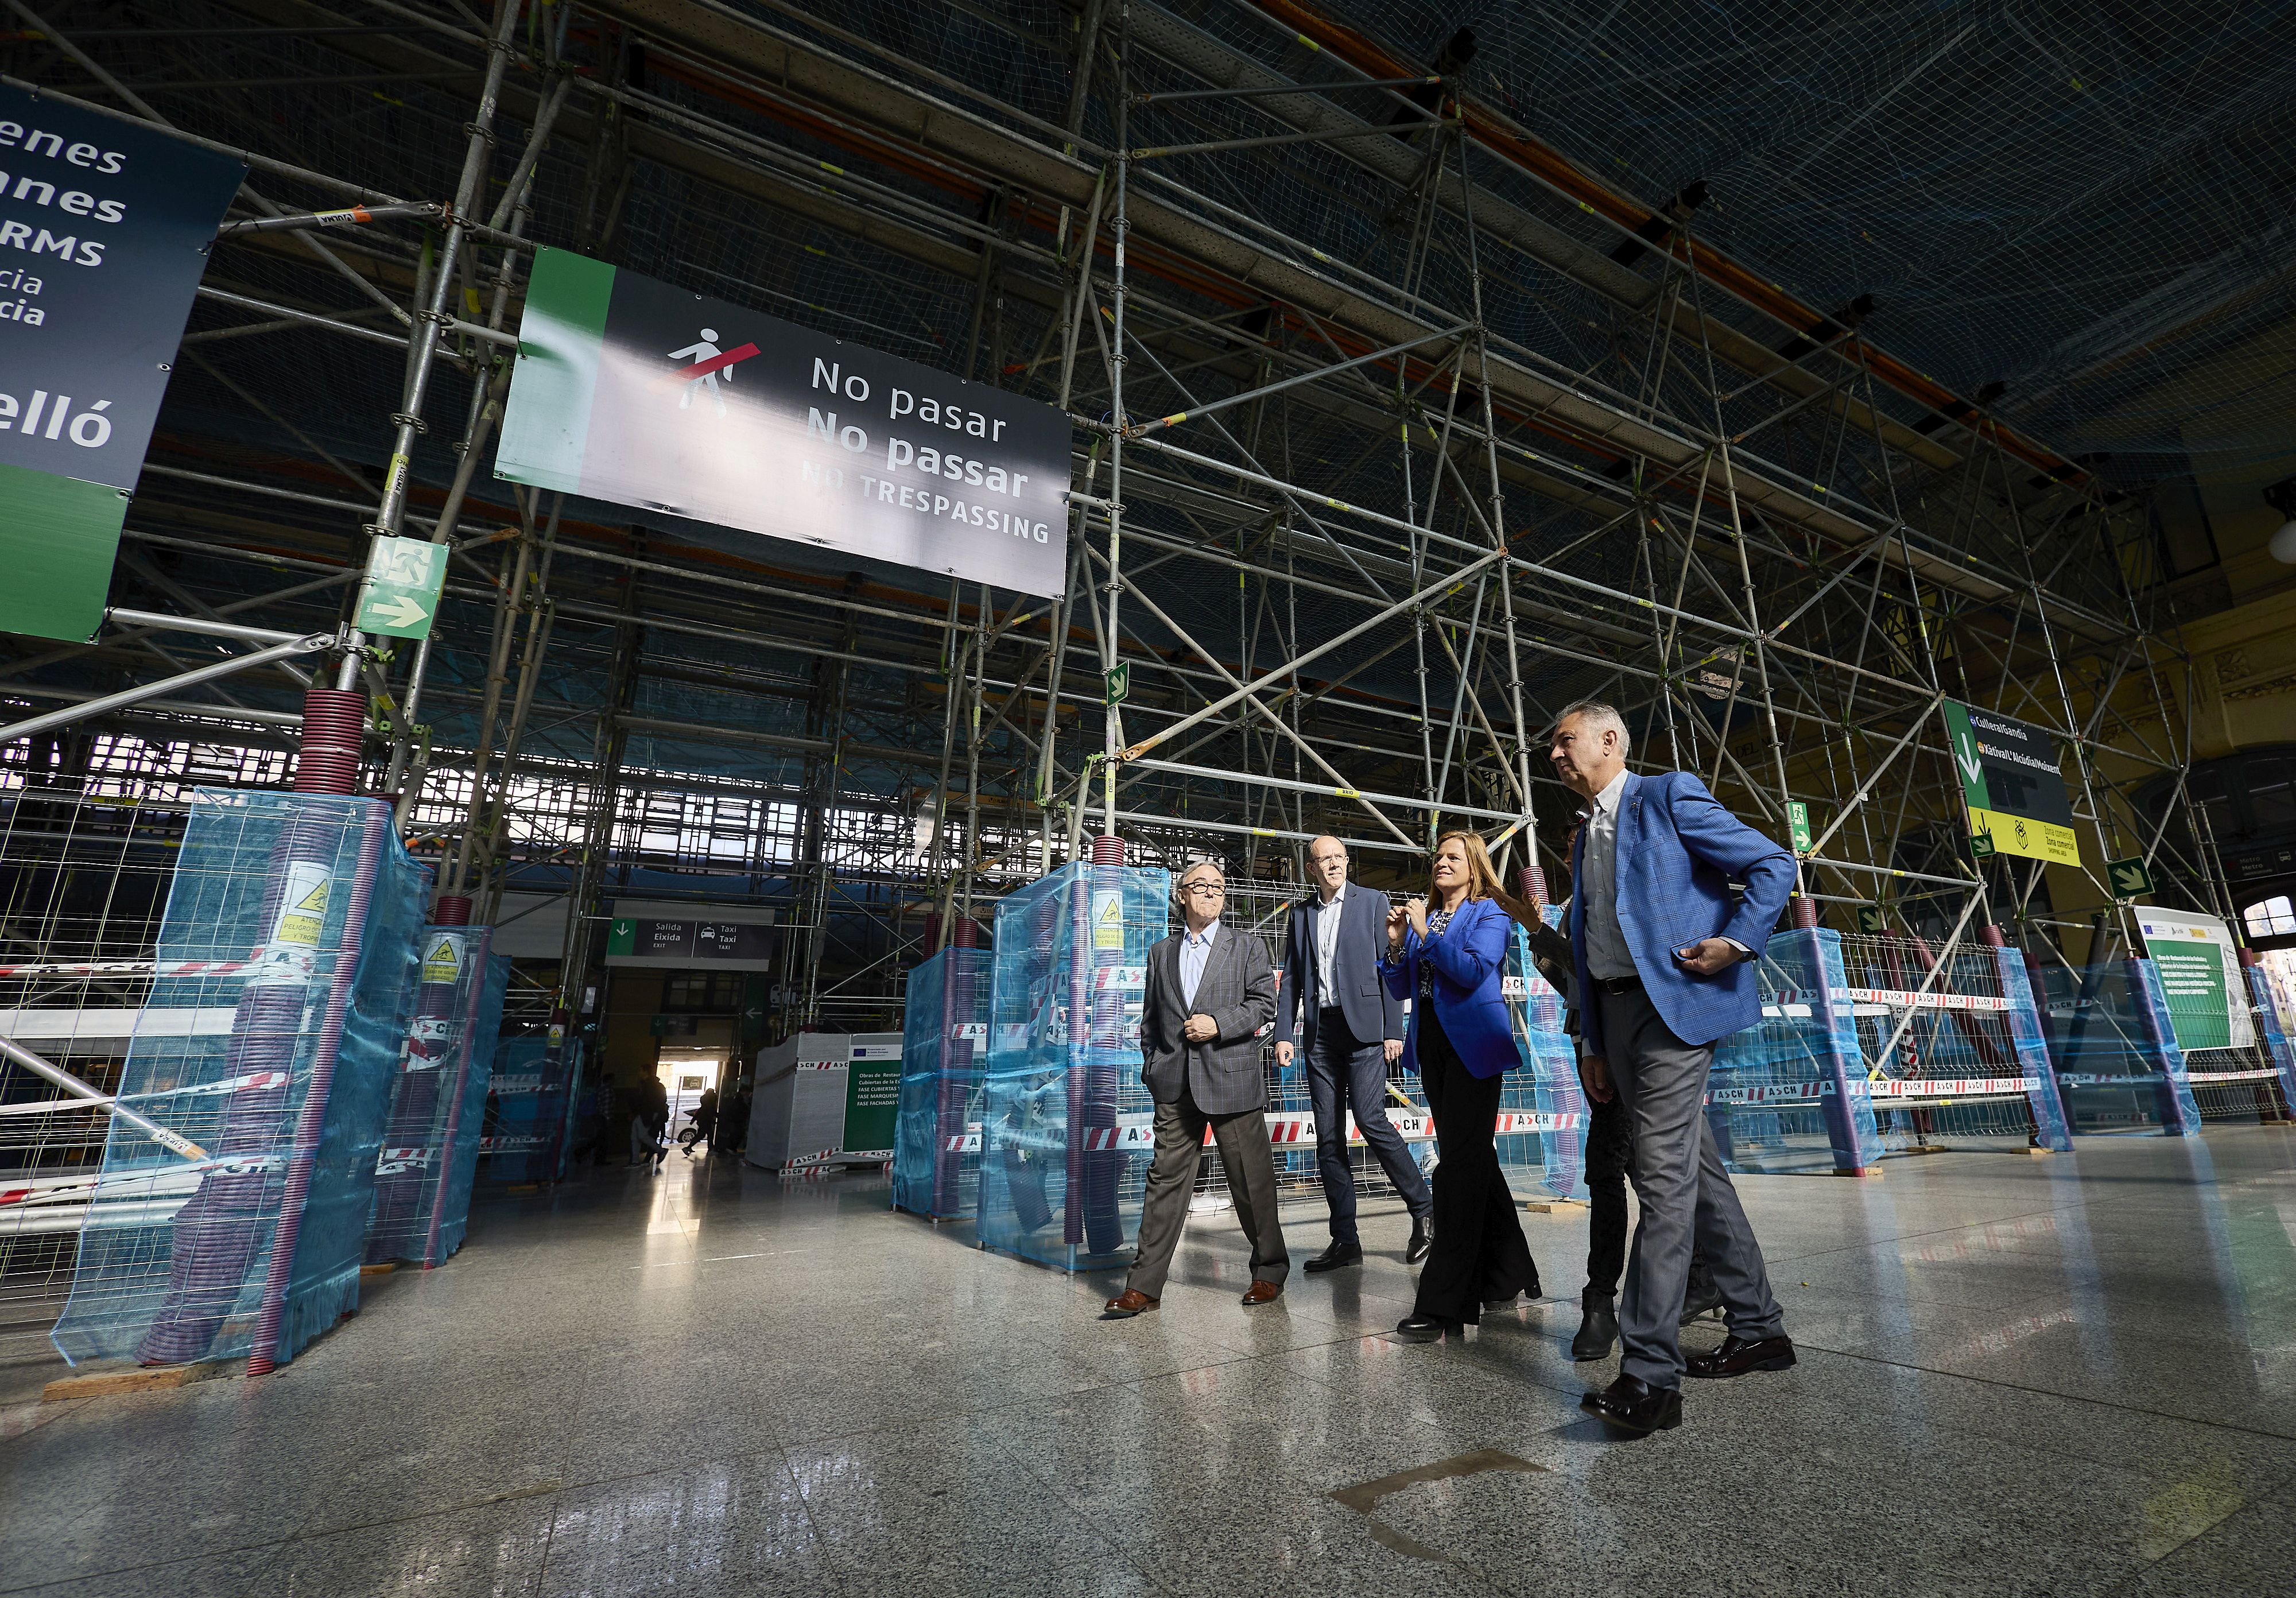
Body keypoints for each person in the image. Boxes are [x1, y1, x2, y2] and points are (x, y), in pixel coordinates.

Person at [1551, 701, 1798, 1436]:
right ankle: (1760, 1329)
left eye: (1565, 742)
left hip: (1672, 1009)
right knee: (1697, 1171)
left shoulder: (1667, 796)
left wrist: (1738, 942)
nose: (1555, 755)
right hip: (1618, 1018)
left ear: (1608, 740)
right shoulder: (1582, 835)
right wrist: (1592, 1042)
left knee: (1659, 1180)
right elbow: (1591, 947)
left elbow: (1772, 863)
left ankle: (1650, 1375)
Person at [1507, 836, 1720, 1361]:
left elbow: (1615, 975)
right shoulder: (1578, 906)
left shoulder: (1640, 895)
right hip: (1596, 1049)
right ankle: (1696, 1275)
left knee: (1620, 1172)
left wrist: (1539, 935)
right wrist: (1547, 955)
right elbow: (1574, 984)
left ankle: (1603, 1303)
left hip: (1641, 1047)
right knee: (1633, 1172)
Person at [1104, 859, 1288, 1317]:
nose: (1210, 893)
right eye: (1200, 886)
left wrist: (1219, 1024)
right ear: (1181, 895)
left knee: (1251, 1183)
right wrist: (1155, 1066)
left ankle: (1269, 1271)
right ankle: (1143, 1286)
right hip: (1175, 1085)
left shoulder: (1246, 945)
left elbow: (1265, 1004)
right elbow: (1151, 1020)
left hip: (1231, 1080)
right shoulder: (1160, 952)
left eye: (1218, 887)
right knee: (1164, 1184)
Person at [1380, 831, 1539, 1342]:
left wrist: (1425, 934)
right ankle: (1508, 1274)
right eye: (1439, 857)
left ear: (1474, 865)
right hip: (1432, 1047)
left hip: (1474, 1048)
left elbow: (1472, 972)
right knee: (1473, 1161)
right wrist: (1396, 945)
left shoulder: (1489, 912)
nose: (1442, 864)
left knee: (1458, 1170)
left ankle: (1444, 1300)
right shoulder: (1430, 918)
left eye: (1453, 857)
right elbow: (1403, 986)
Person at [1275, 835, 1432, 1271]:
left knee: (1370, 1118)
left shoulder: (1372, 901)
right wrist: (1284, 1033)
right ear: (1311, 868)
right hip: (1321, 1033)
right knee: (1328, 1137)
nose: (1332, 865)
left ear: (1347, 861)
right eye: (1323, 859)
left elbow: (1389, 963)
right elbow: (1290, 978)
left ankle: (1424, 1211)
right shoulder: (1303, 913)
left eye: (1338, 858)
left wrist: (1392, 1028)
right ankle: (1345, 1240)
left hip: (1365, 1030)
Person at [687, 1085, 720, 1154]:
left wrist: (693, 1120)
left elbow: (700, 1112)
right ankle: (710, 1149)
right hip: (707, 1121)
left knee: (703, 1135)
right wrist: (718, 1116)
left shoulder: (704, 1103)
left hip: (702, 1121)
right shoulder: (710, 1104)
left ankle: (690, 1147)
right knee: (707, 1135)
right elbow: (712, 1112)